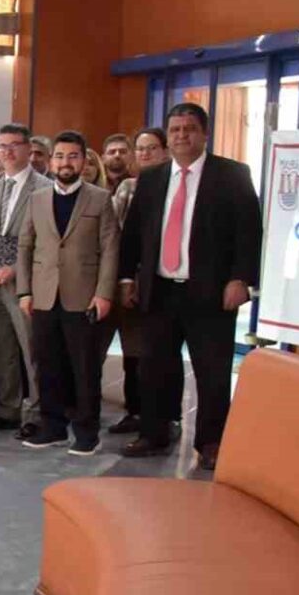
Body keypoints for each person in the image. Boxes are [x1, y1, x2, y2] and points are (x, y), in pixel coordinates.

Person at [118, 103, 262, 471]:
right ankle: (154, 432)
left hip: (211, 292)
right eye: (176, 129)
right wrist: (127, 278)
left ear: (204, 134)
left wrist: (241, 279)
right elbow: (133, 233)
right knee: (155, 367)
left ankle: (211, 442)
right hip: (159, 290)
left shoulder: (232, 174)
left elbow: (249, 232)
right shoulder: (151, 178)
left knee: (212, 371)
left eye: (190, 128)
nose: (182, 135)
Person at [17, 132, 118, 456]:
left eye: (73, 156)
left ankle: (87, 433)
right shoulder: (37, 198)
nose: (65, 162)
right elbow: (25, 247)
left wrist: (104, 294)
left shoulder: (100, 199)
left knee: (84, 369)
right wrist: (24, 291)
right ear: (51, 161)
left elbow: (110, 250)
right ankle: (53, 427)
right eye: (60, 156)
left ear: (84, 161)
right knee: (48, 365)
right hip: (44, 295)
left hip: (84, 296)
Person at [0, 123, 53, 437]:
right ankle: (8, 409)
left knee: (32, 350)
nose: (6, 151)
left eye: (13, 145)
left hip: (25, 282)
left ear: (28, 148)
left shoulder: (44, 187)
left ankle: (37, 414)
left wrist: (14, 269)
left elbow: (47, 241)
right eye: (1, 146)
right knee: (1, 348)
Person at [104, 127, 167, 434]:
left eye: (152, 148)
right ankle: (135, 411)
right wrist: (125, 279)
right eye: (140, 149)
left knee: (162, 354)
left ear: (165, 152)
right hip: (132, 281)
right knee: (133, 352)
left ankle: (165, 416)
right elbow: (116, 234)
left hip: (168, 283)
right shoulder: (128, 188)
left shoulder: (176, 185)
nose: (145, 154)